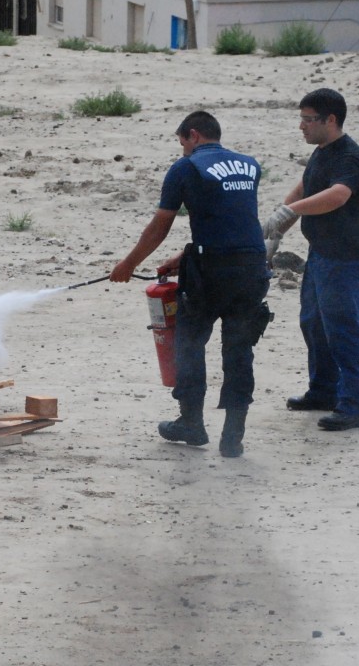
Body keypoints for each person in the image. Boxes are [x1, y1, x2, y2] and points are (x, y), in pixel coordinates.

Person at [111, 110, 271, 457]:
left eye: (182, 141)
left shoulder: (186, 167)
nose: (182, 148)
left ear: (193, 135)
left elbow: (160, 225)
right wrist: (184, 258)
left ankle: (191, 423)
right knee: (239, 349)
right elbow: (233, 222)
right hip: (252, 267)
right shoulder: (249, 165)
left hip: (211, 272)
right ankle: (233, 436)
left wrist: (128, 264)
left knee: (190, 342)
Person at [261, 87, 359, 431]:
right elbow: (306, 187)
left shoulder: (349, 157)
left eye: (308, 120)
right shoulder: (323, 152)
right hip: (320, 253)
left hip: (344, 257)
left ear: (331, 120)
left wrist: (290, 210)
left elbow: (338, 195)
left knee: (343, 330)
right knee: (314, 325)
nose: (301, 126)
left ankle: (354, 406)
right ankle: (323, 390)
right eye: (302, 118)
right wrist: (278, 226)